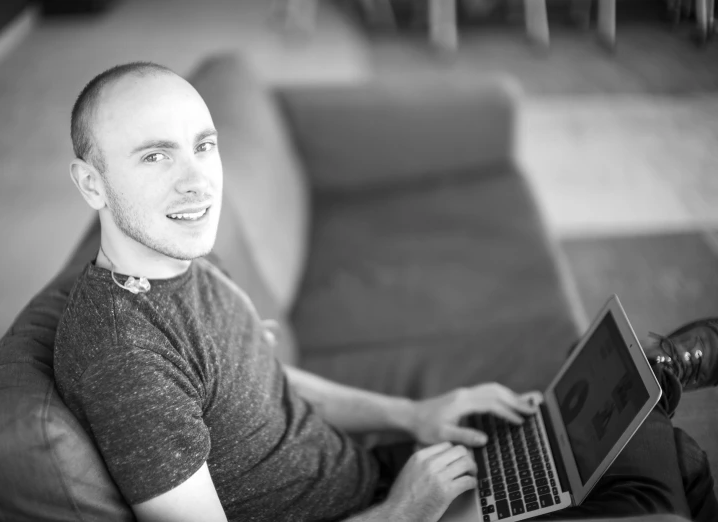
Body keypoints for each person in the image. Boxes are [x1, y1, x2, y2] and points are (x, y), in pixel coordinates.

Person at [53, 62, 717, 522]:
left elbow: (265, 378)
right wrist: (406, 510)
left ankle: (651, 378)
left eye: (204, 146)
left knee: (601, 440)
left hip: (373, 474)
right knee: (652, 485)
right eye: (155, 156)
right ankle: (658, 372)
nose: (199, 183)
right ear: (91, 184)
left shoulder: (182, 260)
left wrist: (415, 414)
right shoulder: (126, 360)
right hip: (381, 508)